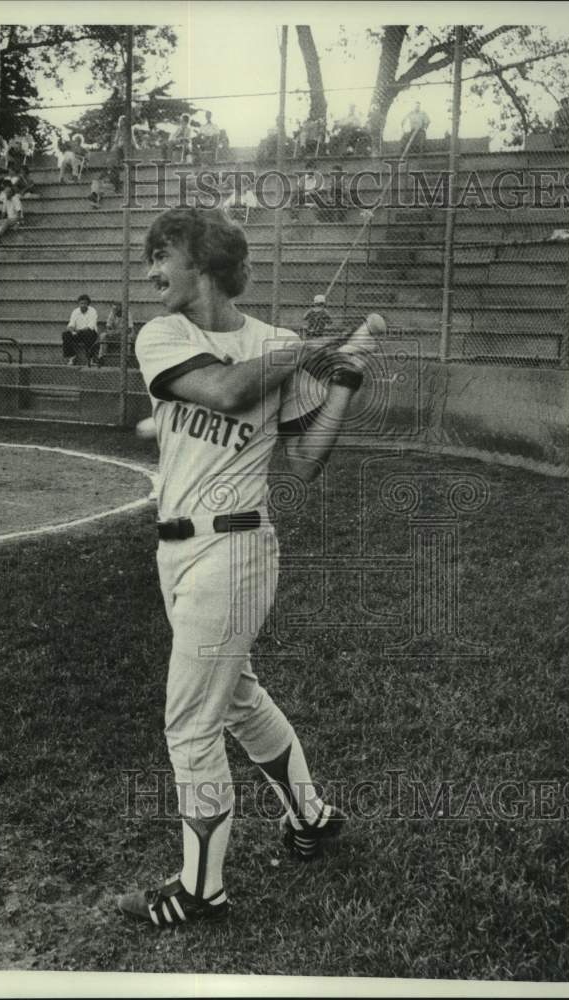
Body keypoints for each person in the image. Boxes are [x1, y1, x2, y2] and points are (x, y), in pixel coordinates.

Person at [119, 206, 382, 927]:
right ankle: (312, 816)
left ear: (200, 262)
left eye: (160, 256)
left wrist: (343, 384)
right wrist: (309, 345)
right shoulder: (164, 334)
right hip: (175, 547)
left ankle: (201, 890)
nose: (149, 272)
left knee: (189, 724)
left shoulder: (280, 344)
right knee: (234, 699)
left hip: (233, 550)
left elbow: (306, 458)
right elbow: (228, 391)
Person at [62, 294, 99, 366]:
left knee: (88, 334)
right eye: (81, 303)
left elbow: (90, 326)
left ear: (88, 304)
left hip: (90, 333)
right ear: (78, 304)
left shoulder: (93, 311)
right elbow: (71, 324)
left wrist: (78, 331)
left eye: (85, 303)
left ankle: (90, 358)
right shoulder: (75, 311)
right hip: (77, 333)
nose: (83, 305)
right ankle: (72, 356)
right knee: (65, 334)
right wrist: (71, 329)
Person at [108, 115, 141, 194]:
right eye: (121, 123)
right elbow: (116, 140)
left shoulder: (129, 130)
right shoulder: (119, 130)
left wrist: (136, 147)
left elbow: (132, 139)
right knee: (116, 150)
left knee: (124, 145)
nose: (122, 125)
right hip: (120, 146)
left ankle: (126, 162)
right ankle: (118, 164)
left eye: (124, 123)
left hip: (127, 146)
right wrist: (114, 147)